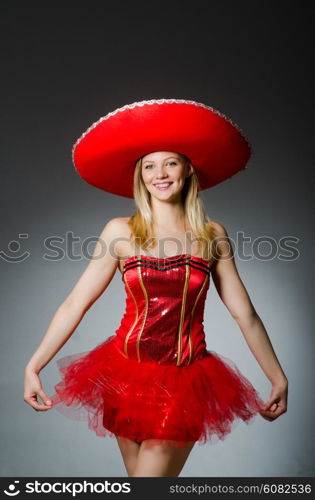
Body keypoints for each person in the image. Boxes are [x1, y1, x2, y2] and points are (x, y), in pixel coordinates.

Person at [24, 99, 288, 477]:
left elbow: (244, 314)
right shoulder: (120, 232)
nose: (159, 174)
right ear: (139, 176)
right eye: (149, 165)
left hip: (183, 380)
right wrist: (35, 365)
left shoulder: (212, 236)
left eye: (170, 163)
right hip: (124, 376)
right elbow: (74, 305)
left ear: (188, 169)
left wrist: (277, 376)